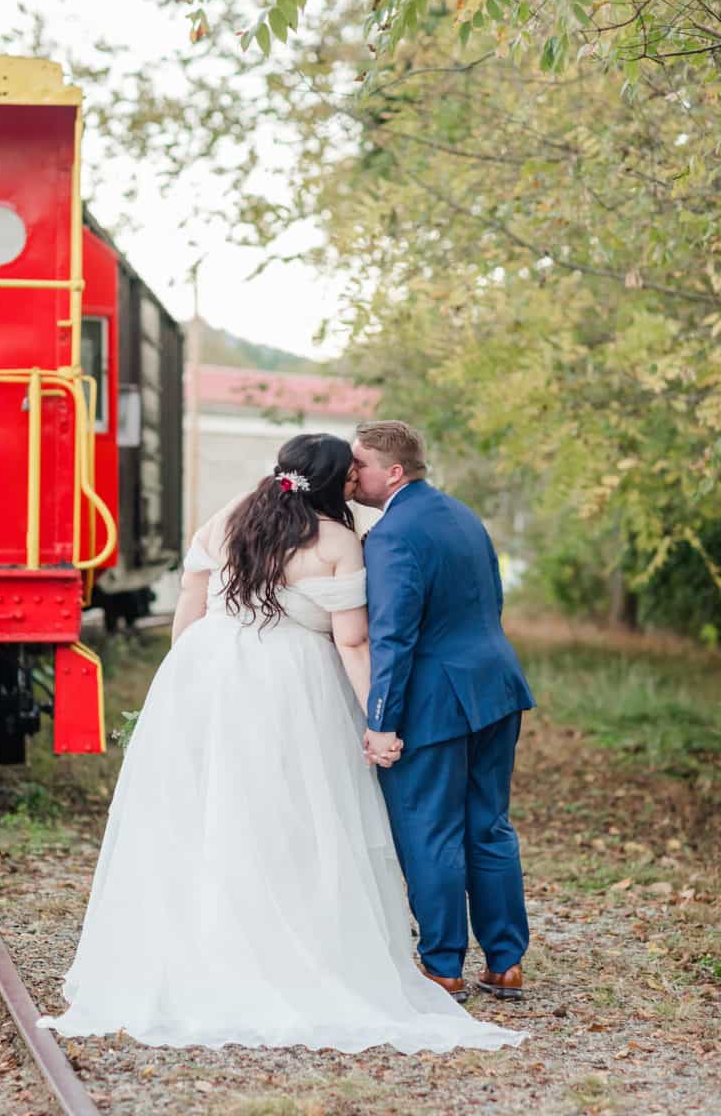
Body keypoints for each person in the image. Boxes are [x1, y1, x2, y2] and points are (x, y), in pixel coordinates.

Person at [38, 433, 525, 1052]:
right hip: (320, 687)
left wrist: (180, 679)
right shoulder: (358, 537)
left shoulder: (229, 518)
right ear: (329, 482)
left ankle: (225, 943)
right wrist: (377, 718)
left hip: (211, 676)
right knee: (319, 819)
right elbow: (354, 642)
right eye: (346, 475)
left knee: (216, 815)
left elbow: (192, 600)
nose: (354, 482)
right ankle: (485, 958)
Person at [353, 421, 535, 1003]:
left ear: (393, 472)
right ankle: (506, 963)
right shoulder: (463, 515)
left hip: (435, 701)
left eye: (360, 464)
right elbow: (493, 600)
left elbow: (393, 636)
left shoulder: (390, 536)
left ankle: (442, 967)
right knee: (488, 824)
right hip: (497, 687)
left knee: (430, 830)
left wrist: (381, 718)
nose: (351, 473)